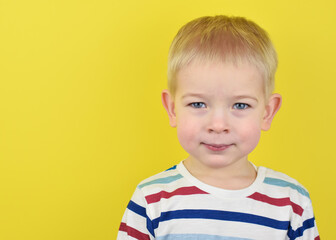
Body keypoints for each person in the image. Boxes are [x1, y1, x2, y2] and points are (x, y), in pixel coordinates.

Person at [117, 15, 320, 240]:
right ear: (172, 109)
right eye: (198, 104)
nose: (218, 125)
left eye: (240, 105)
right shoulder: (151, 199)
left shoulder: (292, 203)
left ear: (267, 112)